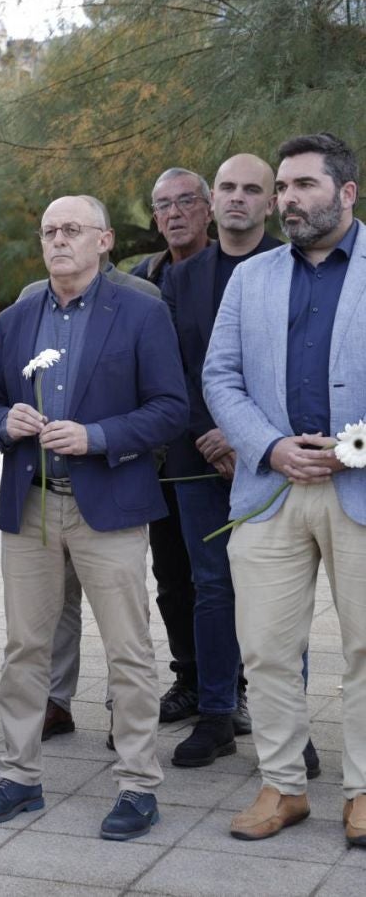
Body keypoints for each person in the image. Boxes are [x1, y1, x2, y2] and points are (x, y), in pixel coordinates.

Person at [0, 195, 187, 840]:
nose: (58, 240)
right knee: (24, 649)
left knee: (128, 651)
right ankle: (18, 776)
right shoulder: (18, 316)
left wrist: (96, 435)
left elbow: (171, 408)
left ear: (104, 241)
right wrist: (2, 424)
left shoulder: (143, 313)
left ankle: (139, 785)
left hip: (110, 506)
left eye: (72, 230)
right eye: (49, 231)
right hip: (31, 503)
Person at [203, 133, 366, 846]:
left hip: (357, 485)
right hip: (269, 489)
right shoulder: (253, 277)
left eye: (303, 185)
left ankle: (363, 791)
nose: (287, 200)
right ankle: (281, 786)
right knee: (265, 647)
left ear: (346, 192)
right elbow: (220, 376)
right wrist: (268, 445)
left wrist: (355, 447)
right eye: (283, 187)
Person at [163, 154, 281, 768]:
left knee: (276, 591)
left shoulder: (294, 269)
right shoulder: (181, 279)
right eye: (228, 188)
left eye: (251, 189)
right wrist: (212, 432)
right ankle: (215, 715)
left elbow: (292, 372)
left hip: (271, 457)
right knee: (210, 587)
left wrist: (247, 438)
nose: (238, 198)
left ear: (271, 203)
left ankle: (286, 726)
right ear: (214, 201)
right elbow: (176, 368)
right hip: (197, 454)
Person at [127, 168, 211, 723]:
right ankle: (189, 678)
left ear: (207, 208)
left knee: (220, 577)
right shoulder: (141, 277)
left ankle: (230, 688)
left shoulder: (241, 269)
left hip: (217, 453)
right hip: (157, 456)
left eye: (186, 202)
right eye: (163, 205)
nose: (175, 213)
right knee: (170, 577)